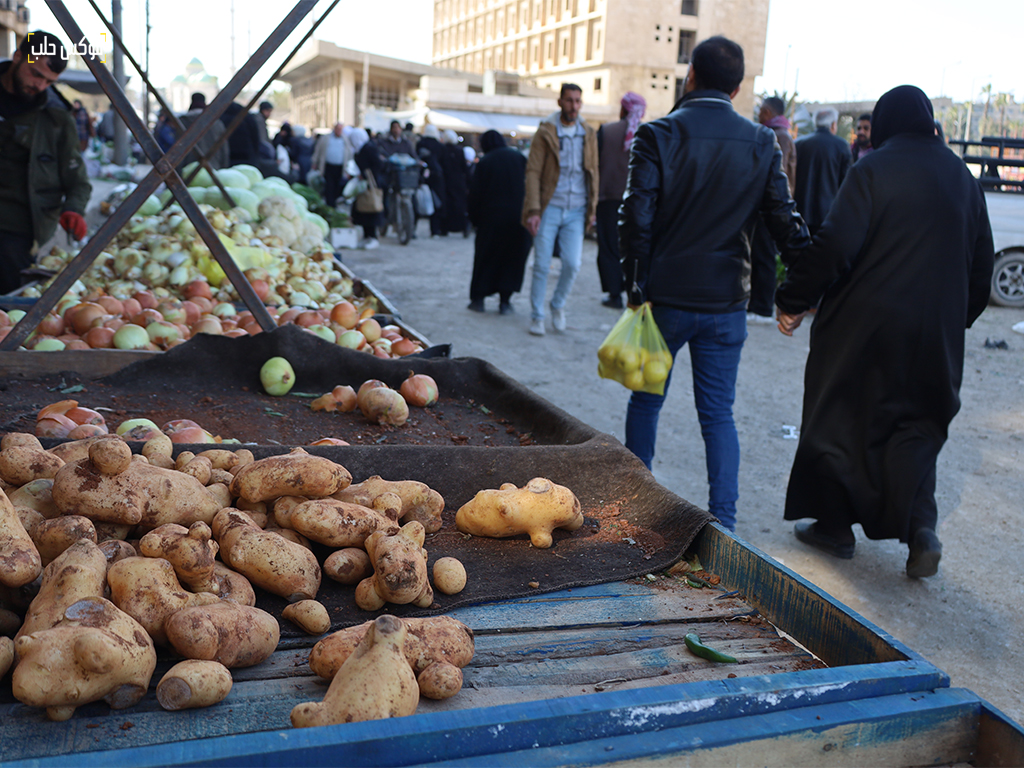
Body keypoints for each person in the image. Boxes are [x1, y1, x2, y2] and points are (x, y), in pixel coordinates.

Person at [775, 86, 994, 577]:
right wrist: (954, 321)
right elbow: (981, 267)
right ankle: (920, 530)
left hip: (864, 329)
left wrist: (792, 299)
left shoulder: (872, 169)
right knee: (917, 427)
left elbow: (835, 244)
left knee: (840, 419)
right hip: (935, 335)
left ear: (886, 122)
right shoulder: (963, 178)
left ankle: (834, 528)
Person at [618, 36, 809, 532]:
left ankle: (636, 503)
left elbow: (635, 218)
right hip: (726, 302)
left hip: (664, 298)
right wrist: (802, 292)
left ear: (690, 76)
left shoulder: (656, 135)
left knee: (646, 401)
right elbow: (784, 223)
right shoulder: (762, 141)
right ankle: (723, 520)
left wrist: (633, 285)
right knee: (718, 415)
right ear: (739, 86)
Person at [0, 31, 92, 295]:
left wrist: (74, 209)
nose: (40, 85)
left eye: (49, 81)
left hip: (16, 234)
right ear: (18, 57)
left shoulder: (57, 120)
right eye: (36, 74)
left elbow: (78, 181)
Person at [522, 83, 598, 336]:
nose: (573, 106)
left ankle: (557, 305)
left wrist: (592, 207)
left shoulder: (587, 132)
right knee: (542, 264)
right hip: (550, 206)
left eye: (578, 101)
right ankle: (537, 315)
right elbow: (533, 171)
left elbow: (593, 171)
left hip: (577, 208)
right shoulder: (546, 131)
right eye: (569, 100)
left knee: (573, 263)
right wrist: (533, 209)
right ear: (560, 102)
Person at [467, 130, 533, 314]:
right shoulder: (519, 158)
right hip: (518, 220)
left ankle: (478, 299)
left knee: (485, 259)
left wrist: (474, 219)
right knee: (512, 260)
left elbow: (475, 194)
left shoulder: (486, 162)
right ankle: (505, 301)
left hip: (491, 220)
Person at [747, 95, 797, 324]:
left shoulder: (779, 137)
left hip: (772, 207)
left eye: (761, 111)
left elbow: (780, 175)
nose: (758, 115)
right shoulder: (777, 134)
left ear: (768, 112)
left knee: (765, 255)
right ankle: (757, 303)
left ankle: (763, 306)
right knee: (759, 253)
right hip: (768, 206)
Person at [595, 91, 646, 310]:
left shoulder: (606, 131)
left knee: (608, 246)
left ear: (623, 109)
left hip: (608, 197)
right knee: (633, 247)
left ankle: (614, 294)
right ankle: (633, 293)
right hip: (637, 202)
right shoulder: (648, 133)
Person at [793, 107, 851, 235]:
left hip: (800, 211)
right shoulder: (841, 146)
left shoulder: (799, 144)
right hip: (828, 214)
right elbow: (846, 183)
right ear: (833, 125)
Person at [350, 128, 386, 250]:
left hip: (372, 185)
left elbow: (378, 164)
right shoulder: (361, 148)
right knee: (364, 209)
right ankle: (367, 236)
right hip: (364, 185)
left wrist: (366, 174)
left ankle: (373, 237)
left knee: (371, 210)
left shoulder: (369, 148)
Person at [176, 92, 229, 170]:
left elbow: (177, 147)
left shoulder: (182, 122)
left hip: (188, 169)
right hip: (214, 166)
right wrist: (224, 167)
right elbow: (224, 147)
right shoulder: (216, 122)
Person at [416, 125, 446, 237]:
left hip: (421, 177)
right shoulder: (440, 146)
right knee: (436, 203)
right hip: (437, 178)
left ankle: (413, 230)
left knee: (418, 200)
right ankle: (435, 230)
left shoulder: (421, 143)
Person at [312, 122, 350, 207]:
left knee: (337, 186)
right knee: (329, 186)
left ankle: (334, 202)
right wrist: (315, 162)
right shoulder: (326, 138)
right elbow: (318, 150)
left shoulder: (345, 139)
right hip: (328, 166)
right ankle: (330, 203)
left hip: (340, 167)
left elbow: (349, 154)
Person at [439, 129, 469, 235]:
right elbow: (464, 168)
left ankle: (445, 228)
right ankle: (462, 227)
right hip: (458, 181)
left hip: (446, 181)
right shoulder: (459, 150)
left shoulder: (442, 149)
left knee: (447, 204)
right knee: (459, 204)